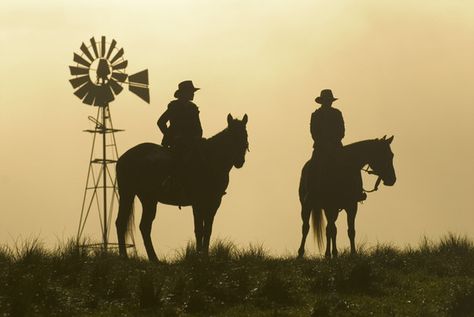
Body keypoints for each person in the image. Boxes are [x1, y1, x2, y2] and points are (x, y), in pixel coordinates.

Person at [157, 80, 204, 197]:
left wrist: (197, 137)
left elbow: (198, 127)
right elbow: (161, 122)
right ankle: (171, 182)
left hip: (192, 142)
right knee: (179, 159)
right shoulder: (174, 106)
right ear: (184, 93)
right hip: (176, 142)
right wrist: (170, 136)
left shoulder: (193, 108)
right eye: (191, 92)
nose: (193, 94)